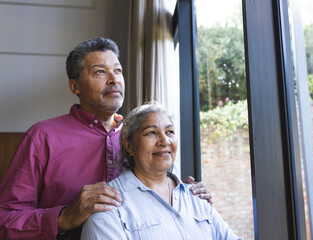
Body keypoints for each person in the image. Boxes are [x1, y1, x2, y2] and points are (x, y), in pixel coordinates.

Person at [0, 38, 211, 240]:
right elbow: (5, 220)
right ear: (75, 86)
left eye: (118, 71)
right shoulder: (41, 137)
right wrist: (64, 218)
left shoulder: (142, 138)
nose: (114, 80)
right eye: (100, 72)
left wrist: (182, 194)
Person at [81, 102, 243, 240]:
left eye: (170, 132)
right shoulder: (109, 207)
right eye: (151, 132)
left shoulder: (196, 197)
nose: (165, 141)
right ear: (128, 145)